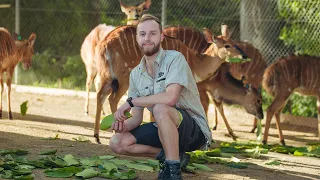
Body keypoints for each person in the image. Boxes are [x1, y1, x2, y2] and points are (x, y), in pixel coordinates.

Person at [109, 14, 212, 180]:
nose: (147, 38)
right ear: (137, 38)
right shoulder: (136, 74)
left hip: (193, 131)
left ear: (162, 36)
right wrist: (122, 125)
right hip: (162, 127)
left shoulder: (175, 59)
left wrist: (131, 101)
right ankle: (170, 156)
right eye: (142, 34)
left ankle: (173, 172)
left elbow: (170, 98)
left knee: (161, 108)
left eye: (152, 33)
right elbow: (136, 119)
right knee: (117, 142)